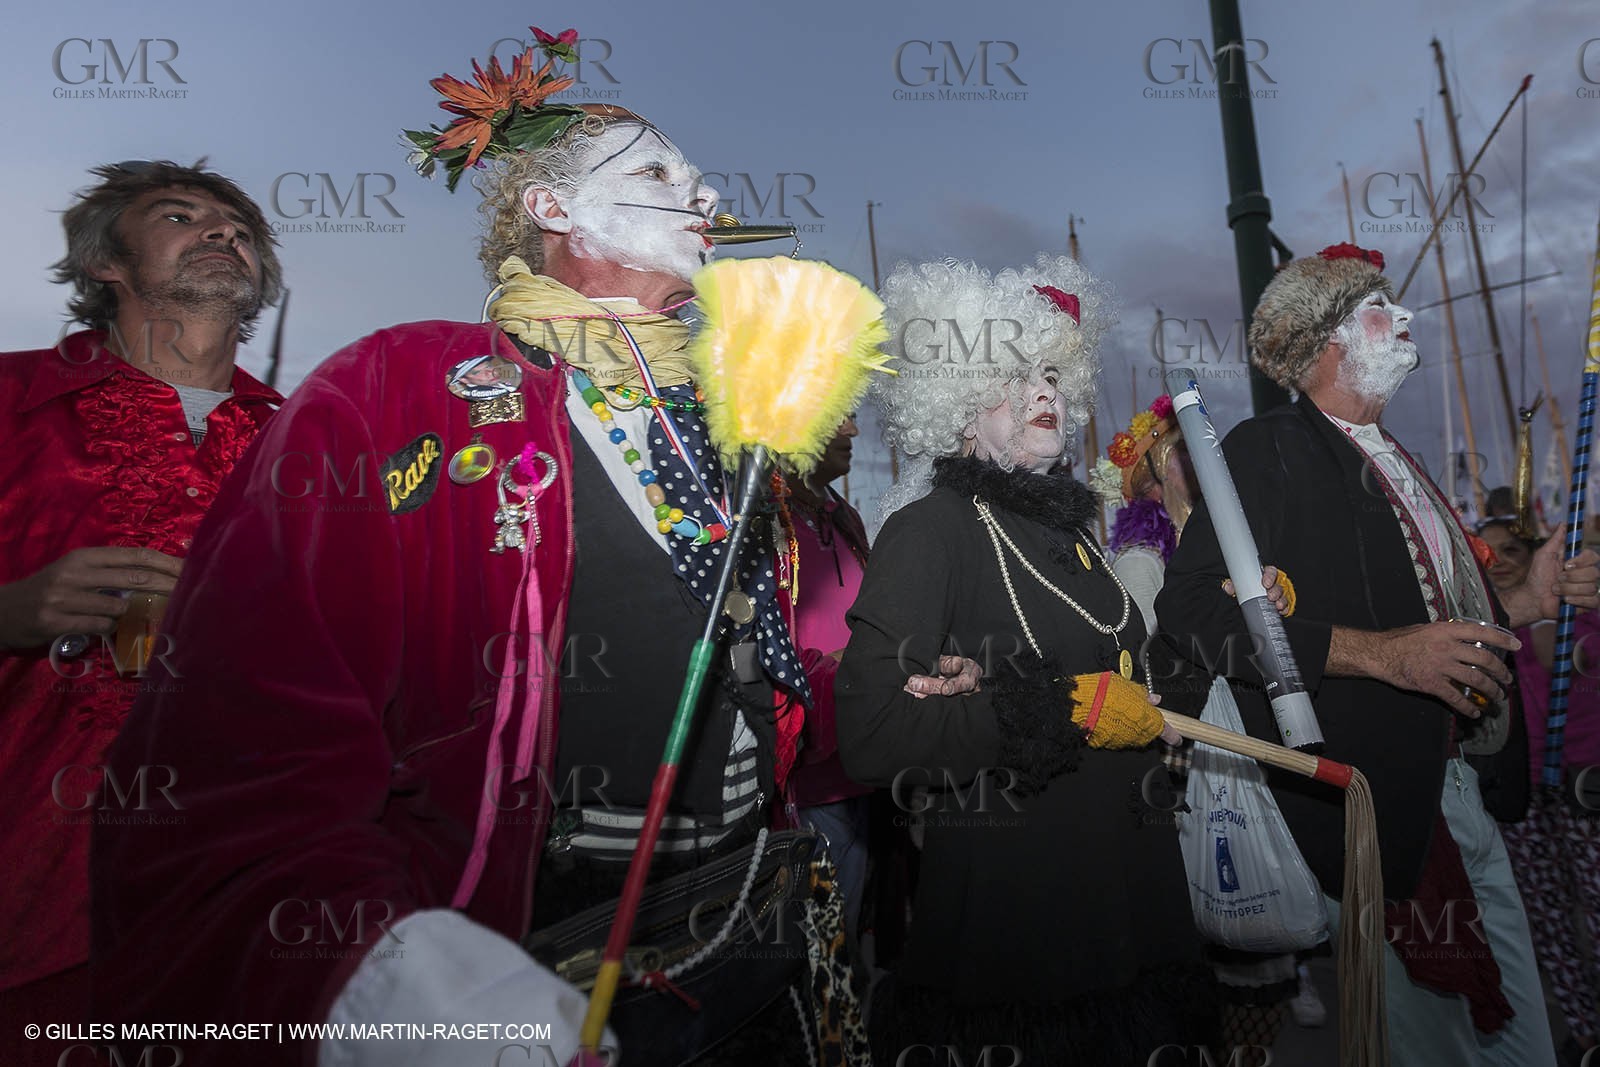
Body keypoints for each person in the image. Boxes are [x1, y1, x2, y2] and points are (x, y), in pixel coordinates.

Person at [90, 32, 886, 1067]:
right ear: (551, 210)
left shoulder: (737, 419)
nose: (702, 196)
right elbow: (236, 758)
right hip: (526, 973)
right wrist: (405, 986)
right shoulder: (400, 385)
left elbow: (767, 670)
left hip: (755, 942)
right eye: (655, 173)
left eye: (699, 179)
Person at [1158, 242, 1600, 1065]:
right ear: (1329, 341)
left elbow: (1434, 620)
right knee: (1434, 1046)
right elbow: (1188, 613)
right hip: (1378, 808)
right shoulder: (1268, 449)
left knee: (1523, 1042)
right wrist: (1381, 657)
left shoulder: (1404, 462)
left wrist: (1532, 601)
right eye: (1377, 309)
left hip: (1468, 789)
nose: (1402, 320)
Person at [836, 256, 1219, 1064]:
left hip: (1132, 886)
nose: (1046, 391)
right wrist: (1059, 708)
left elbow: (1130, 670)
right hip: (1024, 909)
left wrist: (1230, 614)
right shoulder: (932, 530)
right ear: (960, 409)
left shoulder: (1074, 537)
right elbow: (872, 730)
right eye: (1017, 374)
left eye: (1052, 372)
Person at [0, 160, 283, 1060]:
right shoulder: (8, 402)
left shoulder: (316, 438)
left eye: (238, 227)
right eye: (179, 215)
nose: (221, 231)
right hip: (30, 897)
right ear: (105, 266)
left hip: (260, 901)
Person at [1092, 398, 1311, 1056]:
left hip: (1244, 744)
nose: (1201, 462)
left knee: (1246, 926)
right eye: (1181, 452)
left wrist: (1273, 593)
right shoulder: (1142, 558)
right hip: (1183, 764)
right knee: (1204, 927)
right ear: (1154, 478)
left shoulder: (1229, 545)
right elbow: (1124, 660)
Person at [1479, 515, 1600, 1055]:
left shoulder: (1581, 616)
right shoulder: (1479, 621)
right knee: (1546, 918)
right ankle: (1583, 1028)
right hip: (1522, 792)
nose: (1501, 559)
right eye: (1490, 551)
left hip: (1585, 781)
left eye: (1513, 549)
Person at [782, 417, 875, 957]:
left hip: (863, 760)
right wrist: (846, 663)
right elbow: (756, 648)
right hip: (804, 777)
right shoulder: (765, 518)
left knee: (852, 934)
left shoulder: (846, 519)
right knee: (818, 955)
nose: (853, 428)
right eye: (837, 412)